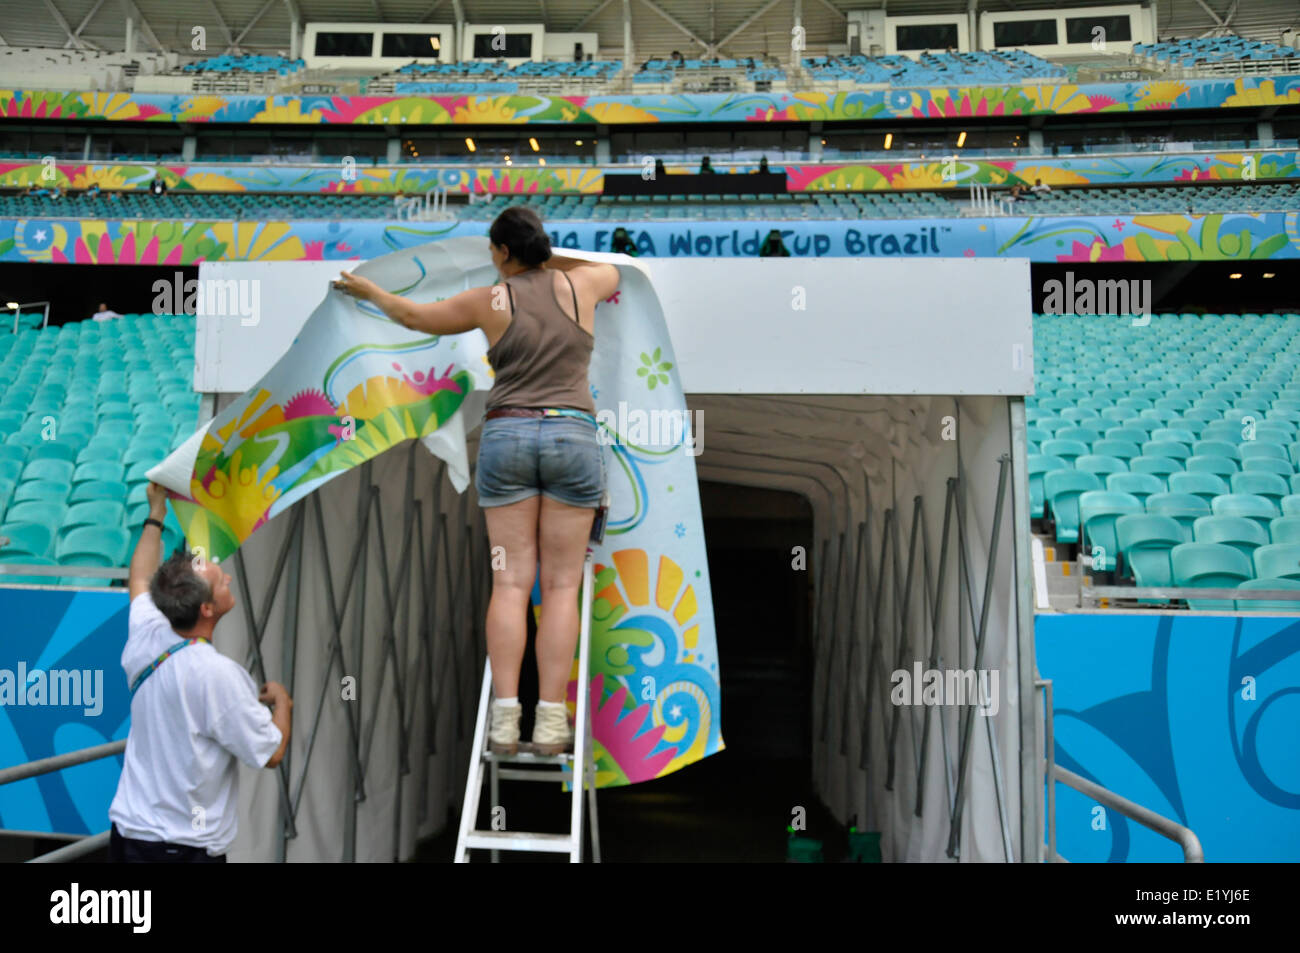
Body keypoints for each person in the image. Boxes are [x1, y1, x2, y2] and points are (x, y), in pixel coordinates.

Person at [332, 206, 620, 756]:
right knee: (561, 586)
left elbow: (415, 317)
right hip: (573, 437)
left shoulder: (491, 300)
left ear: (504, 253)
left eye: (493, 251)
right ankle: (552, 721)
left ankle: (507, 719)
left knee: (510, 584)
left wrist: (369, 290)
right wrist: (538, 254)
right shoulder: (583, 284)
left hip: (508, 437)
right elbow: (612, 269)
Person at [108, 483, 292, 862]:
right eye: (218, 580)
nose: (226, 577)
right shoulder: (218, 675)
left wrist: (156, 512)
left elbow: (140, 577)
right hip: (184, 850)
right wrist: (284, 704)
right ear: (206, 610)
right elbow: (272, 752)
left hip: (129, 834)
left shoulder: (149, 632)